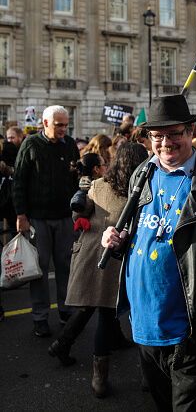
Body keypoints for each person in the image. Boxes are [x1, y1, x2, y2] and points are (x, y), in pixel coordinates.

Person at [102, 94, 196, 412]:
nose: (165, 143)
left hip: (189, 328)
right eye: (158, 136)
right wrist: (118, 242)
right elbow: (140, 236)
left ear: (191, 131)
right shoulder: (142, 173)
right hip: (144, 323)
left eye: (174, 133)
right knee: (161, 403)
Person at [49, 144, 148, 398]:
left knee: (93, 304)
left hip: (90, 251)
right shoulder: (139, 192)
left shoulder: (99, 184)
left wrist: (79, 201)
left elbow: (78, 217)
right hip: (113, 255)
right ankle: (99, 379)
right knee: (104, 311)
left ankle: (64, 344)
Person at [12, 105, 80, 336]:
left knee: (66, 266)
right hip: (37, 219)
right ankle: (40, 317)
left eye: (65, 124)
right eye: (58, 124)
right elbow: (19, 181)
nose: (63, 129)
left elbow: (75, 179)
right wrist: (21, 215)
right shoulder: (30, 144)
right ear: (45, 123)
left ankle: (66, 310)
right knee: (39, 270)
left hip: (64, 217)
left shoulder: (70, 145)